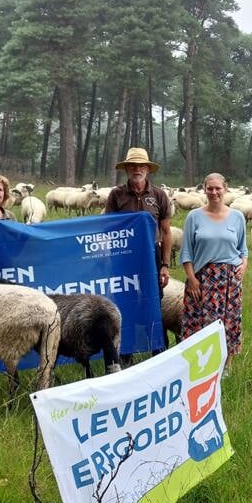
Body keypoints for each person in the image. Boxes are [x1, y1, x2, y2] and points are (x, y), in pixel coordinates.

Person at [104, 147, 173, 368]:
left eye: (141, 166)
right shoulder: (116, 195)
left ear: (147, 169)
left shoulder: (159, 196)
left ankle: (159, 353)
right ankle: (126, 355)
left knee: (153, 301)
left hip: (151, 256)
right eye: (132, 166)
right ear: (126, 169)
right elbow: (106, 227)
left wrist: (164, 264)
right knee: (125, 304)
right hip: (123, 258)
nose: (137, 169)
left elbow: (166, 231)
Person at [180, 173, 247, 375]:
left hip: (229, 280)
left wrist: (243, 266)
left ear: (225, 189)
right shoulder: (194, 217)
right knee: (197, 322)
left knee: (229, 321)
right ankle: (198, 367)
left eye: (218, 188)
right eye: (210, 188)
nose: (214, 192)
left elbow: (243, 249)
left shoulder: (238, 217)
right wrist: (191, 280)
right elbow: (186, 252)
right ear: (204, 189)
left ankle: (226, 366)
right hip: (201, 278)